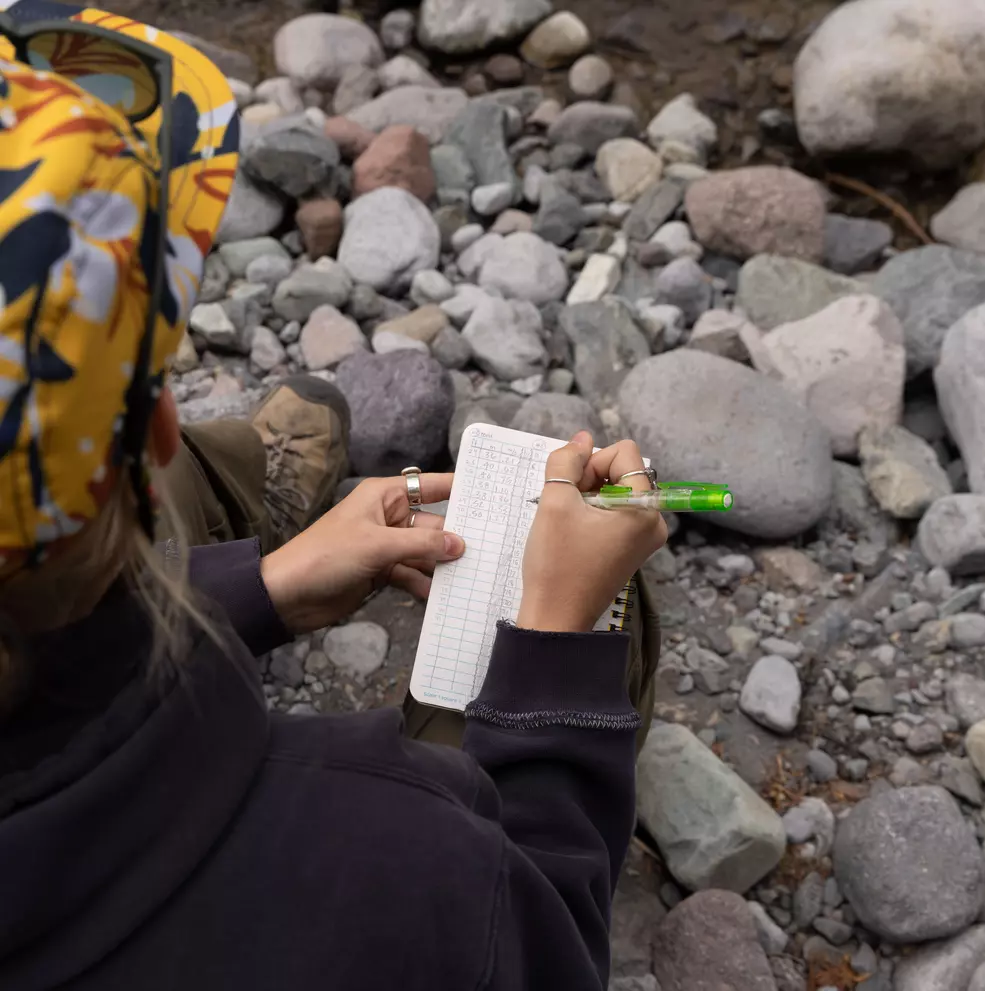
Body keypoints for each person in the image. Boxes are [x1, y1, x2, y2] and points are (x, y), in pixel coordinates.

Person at [0, 4, 668, 990]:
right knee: (602, 598)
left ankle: (252, 505)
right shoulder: (413, 870)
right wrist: (559, 671)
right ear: (155, 428)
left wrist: (256, 592)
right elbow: (544, 942)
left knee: (217, 485)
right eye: (153, 378)